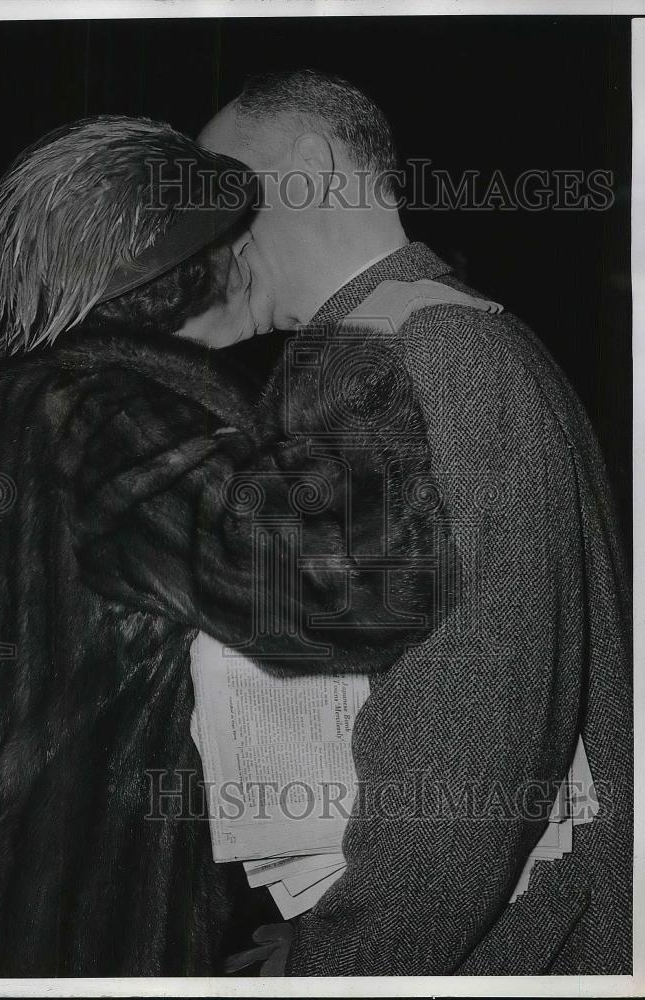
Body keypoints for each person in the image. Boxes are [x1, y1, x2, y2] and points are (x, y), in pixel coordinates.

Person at [0, 115, 494, 977]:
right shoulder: (100, 417)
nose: (254, 251)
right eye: (231, 233)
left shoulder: (49, 403)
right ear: (173, 274)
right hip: (43, 928)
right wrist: (371, 377)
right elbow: (346, 593)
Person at [198, 69, 632, 975]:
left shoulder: (435, 352)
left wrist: (344, 958)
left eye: (220, 189)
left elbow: (467, 746)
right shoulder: (400, 337)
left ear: (312, 165)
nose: (204, 227)